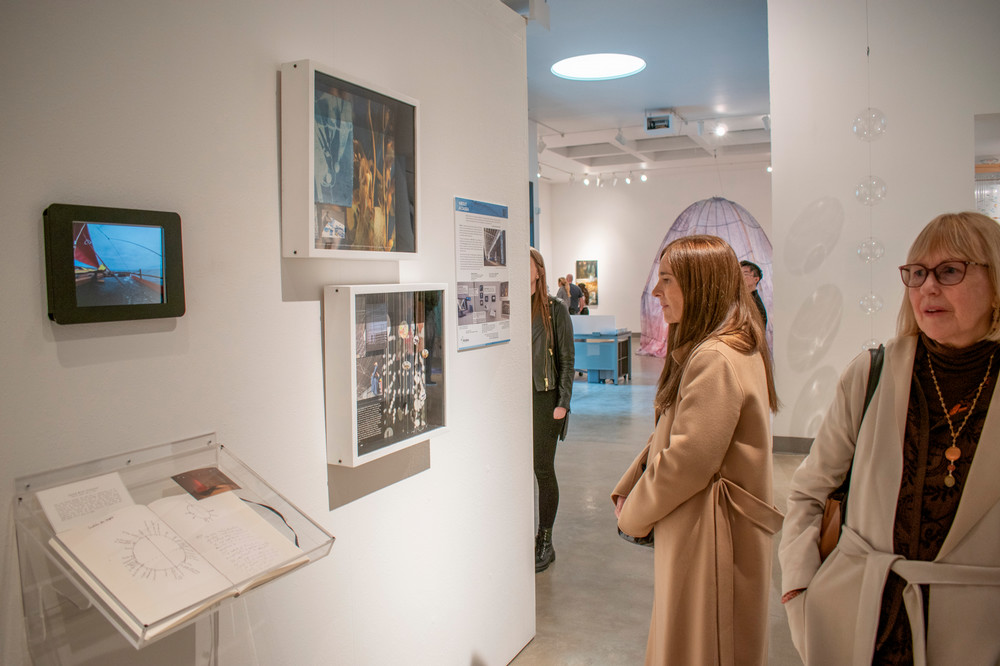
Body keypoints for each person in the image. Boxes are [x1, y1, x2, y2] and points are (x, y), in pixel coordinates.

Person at [779, 211, 1000, 664]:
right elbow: (809, 492)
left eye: (950, 271)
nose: (928, 288)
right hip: (858, 623)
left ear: (995, 283)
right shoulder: (871, 374)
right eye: (917, 274)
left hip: (976, 635)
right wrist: (799, 591)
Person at [612, 235, 782, 665]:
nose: (656, 293)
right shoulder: (729, 346)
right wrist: (631, 482)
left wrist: (634, 515)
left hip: (710, 536)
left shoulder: (715, 357)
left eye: (666, 280)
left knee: (701, 648)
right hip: (707, 529)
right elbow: (675, 432)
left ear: (700, 284)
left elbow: (687, 461)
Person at [530, 249, 574, 573]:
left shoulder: (555, 309)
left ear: (538, 271)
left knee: (543, 470)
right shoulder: (509, 307)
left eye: (526, 264)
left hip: (545, 400)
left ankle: (546, 540)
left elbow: (567, 361)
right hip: (516, 401)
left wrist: (562, 404)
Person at [740, 260, 767, 328]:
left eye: (745, 274)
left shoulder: (756, 305)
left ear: (756, 279)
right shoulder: (740, 299)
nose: (741, 277)